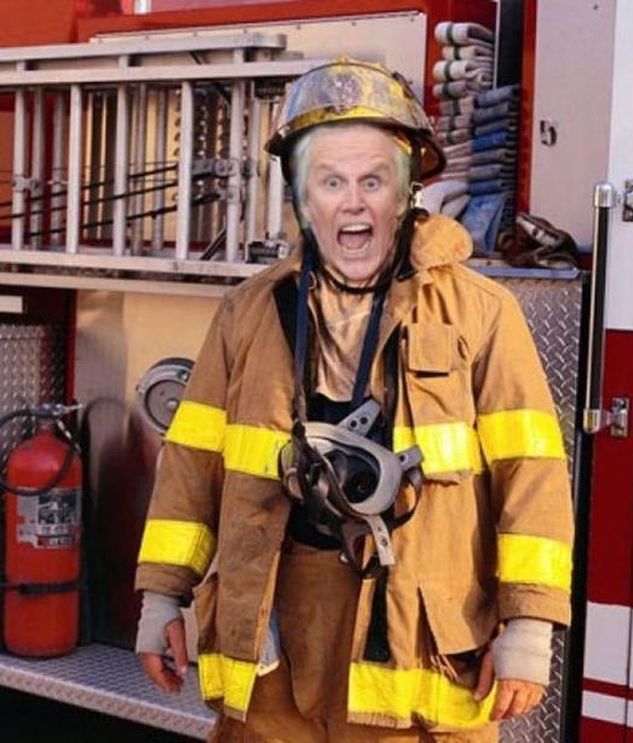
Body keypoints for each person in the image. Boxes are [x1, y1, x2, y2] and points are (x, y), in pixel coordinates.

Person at [134, 60, 573, 743]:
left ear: (406, 193)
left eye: (373, 181)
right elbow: (191, 464)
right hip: (274, 650)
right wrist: (163, 593)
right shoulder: (248, 313)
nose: (353, 203)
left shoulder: (482, 314)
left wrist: (529, 626)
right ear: (302, 198)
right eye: (331, 181)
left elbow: (532, 478)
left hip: (413, 657)